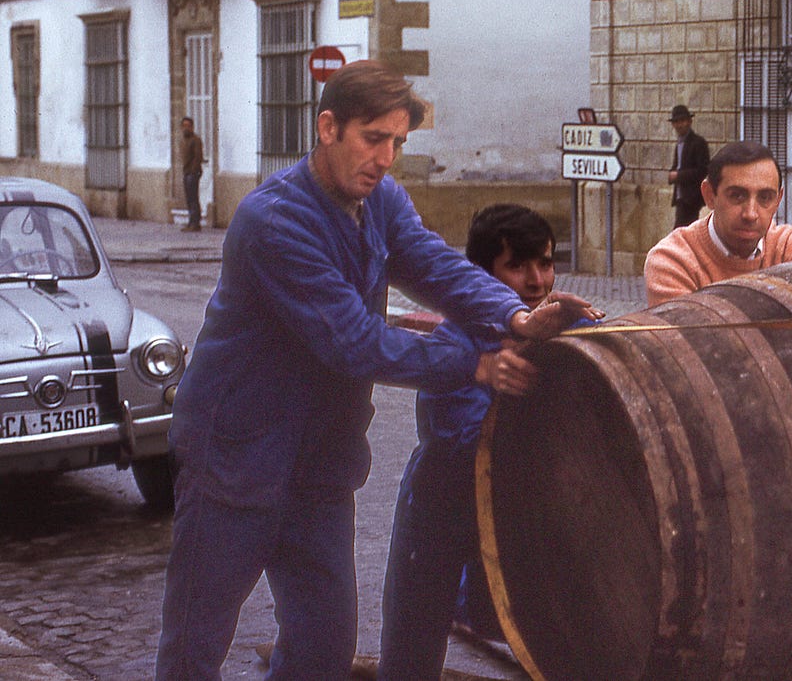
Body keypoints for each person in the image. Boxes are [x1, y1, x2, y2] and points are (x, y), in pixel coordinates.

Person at [155, 60, 597, 681]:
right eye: (373, 139)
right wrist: (475, 363)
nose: (387, 157)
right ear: (328, 127)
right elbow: (355, 343)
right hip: (234, 460)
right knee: (194, 647)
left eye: (398, 142)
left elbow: (434, 266)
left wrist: (515, 318)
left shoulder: (381, 199)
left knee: (323, 649)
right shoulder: (274, 221)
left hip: (320, 468)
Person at [379, 204, 590, 680]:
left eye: (546, 263)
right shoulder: (456, 344)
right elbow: (463, 439)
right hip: (443, 506)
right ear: (481, 274)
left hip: (523, 514)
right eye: (517, 266)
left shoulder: (568, 331)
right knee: (414, 638)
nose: (537, 280)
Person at [645, 140, 792, 306]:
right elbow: (683, 337)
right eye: (737, 196)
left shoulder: (789, 249)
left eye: (765, 198)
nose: (750, 214)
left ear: (778, 200)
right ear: (709, 195)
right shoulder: (674, 261)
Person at [668, 104, 709, 228]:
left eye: (682, 121)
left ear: (689, 122)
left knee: (680, 235)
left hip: (691, 198)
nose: (679, 125)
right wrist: (671, 175)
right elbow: (677, 166)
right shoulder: (679, 143)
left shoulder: (698, 143)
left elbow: (702, 171)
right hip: (681, 197)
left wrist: (678, 175)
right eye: (676, 122)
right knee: (682, 235)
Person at [179, 117, 204, 231]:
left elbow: (198, 156)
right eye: (184, 126)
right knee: (189, 198)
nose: (186, 128)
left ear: (192, 127)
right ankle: (191, 221)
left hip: (192, 172)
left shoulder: (196, 140)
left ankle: (195, 222)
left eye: (188, 126)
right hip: (186, 172)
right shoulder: (183, 140)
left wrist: (193, 171)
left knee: (193, 197)